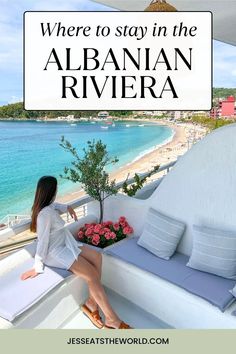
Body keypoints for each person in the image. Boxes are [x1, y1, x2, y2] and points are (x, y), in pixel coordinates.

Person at [21, 176, 132, 329]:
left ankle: (91, 303)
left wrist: (67, 207)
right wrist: (37, 267)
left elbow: (55, 205)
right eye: (56, 189)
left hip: (66, 244)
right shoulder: (44, 215)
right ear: (50, 191)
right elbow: (43, 241)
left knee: (97, 256)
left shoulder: (48, 207)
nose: (57, 191)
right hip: (55, 252)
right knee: (92, 275)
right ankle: (112, 319)